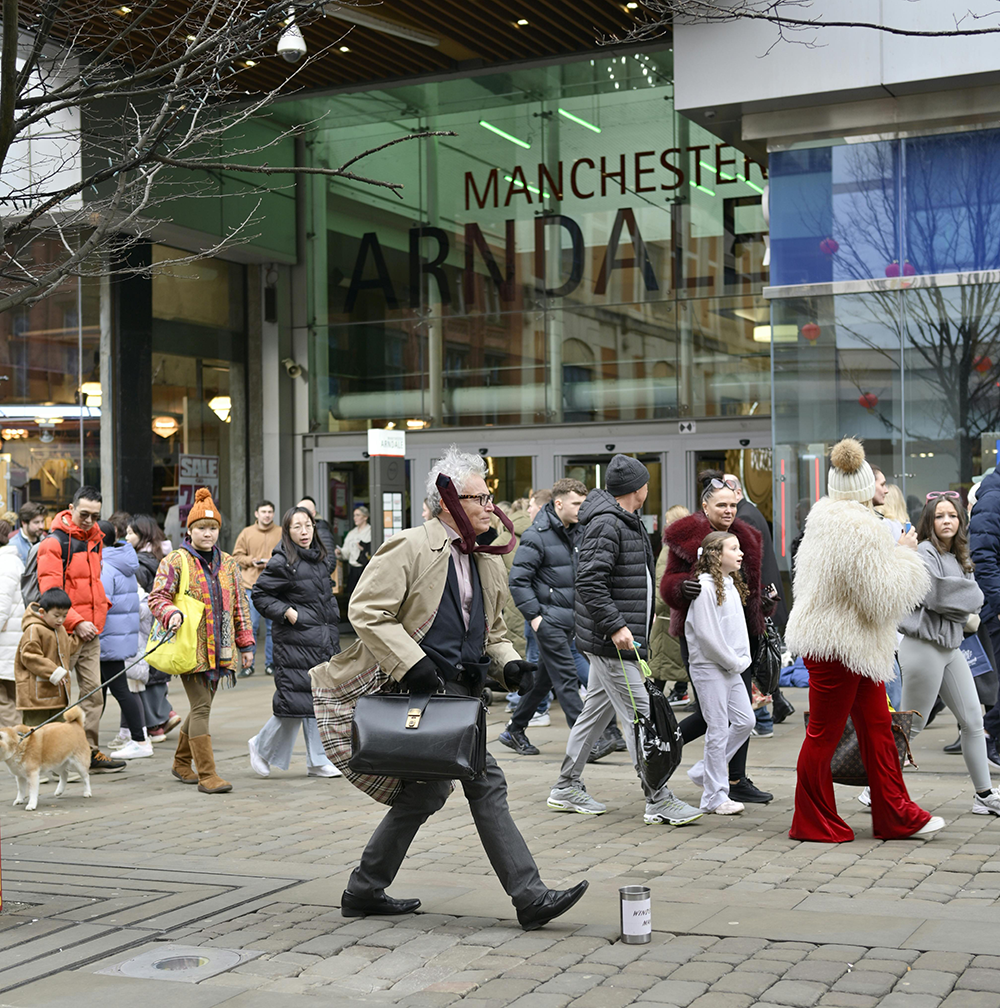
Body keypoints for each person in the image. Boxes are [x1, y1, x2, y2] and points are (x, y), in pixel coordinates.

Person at [313, 445, 588, 928]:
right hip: (423, 694)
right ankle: (529, 895)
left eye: (488, 496)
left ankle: (363, 889)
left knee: (424, 794)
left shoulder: (487, 559)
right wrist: (411, 662)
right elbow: (366, 611)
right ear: (447, 501)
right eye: (478, 497)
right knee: (487, 782)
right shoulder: (411, 546)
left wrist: (510, 666)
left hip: (461, 697)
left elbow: (493, 634)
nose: (489, 506)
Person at [786, 437, 943, 842]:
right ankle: (813, 819)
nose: (885, 487)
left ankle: (896, 814)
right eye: (877, 481)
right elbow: (883, 596)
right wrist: (906, 553)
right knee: (825, 733)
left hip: (846, 644)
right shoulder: (859, 527)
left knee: (875, 729)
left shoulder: (826, 517)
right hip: (840, 644)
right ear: (859, 487)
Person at [547, 455, 703, 825]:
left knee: (594, 715)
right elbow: (590, 581)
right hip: (613, 643)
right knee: (643, 718)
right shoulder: (608, 523)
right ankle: (658, 798)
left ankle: (565, 786)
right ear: (638, 489)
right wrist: (617, 626)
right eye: (647, 483)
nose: (649, 488)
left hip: (613, 640)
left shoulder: (619, 520)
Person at [660, 471, 775, 805]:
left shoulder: (745, 537)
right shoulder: (686, 535)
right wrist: (681, 588)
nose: (728, 511)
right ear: (705, 505)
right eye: (721, 505)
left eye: (733, 505)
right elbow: (668, 583)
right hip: (703, 638)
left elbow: (748, 588)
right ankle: (679, 755)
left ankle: (729, 776)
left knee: (740, 716)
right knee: (717, 716)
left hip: (740, 634)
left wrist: (764, 605)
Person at [898, 494, 1000, 815]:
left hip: (950, 647)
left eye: (952, 516)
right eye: (940, 516)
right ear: (930, 521)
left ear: (960, 521)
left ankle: (984, 795)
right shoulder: (924, 552)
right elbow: (939, 594)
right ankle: (879, 787)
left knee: (972, 720)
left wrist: (962, 598)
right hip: (923, 647)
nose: (946, 521)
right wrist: (966, 596)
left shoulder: (960, 557)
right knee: (911, 727)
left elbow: (971, 602)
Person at [148, 487, 255, 794]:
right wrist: (170, 614)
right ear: (190, 530)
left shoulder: (230, 564)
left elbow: (239, 607)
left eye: (212, 528)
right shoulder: (176, 561)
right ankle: (207, 774)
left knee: (200, 707)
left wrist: (246, 645)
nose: (208, 534)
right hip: (190, 648)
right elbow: (157, 597)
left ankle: (181, 763)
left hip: (220, 650)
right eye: (201, 528)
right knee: (202, 708)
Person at [248, 506, 342, 778]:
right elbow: (261, 595)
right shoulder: (283, 561)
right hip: (296, 642)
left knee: (316, 699)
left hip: (321, 640)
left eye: (308, 526)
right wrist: (288, 613)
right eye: (297, 527)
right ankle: (261, 746)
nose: (304, 532)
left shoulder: (319, 559)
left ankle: (318, 760)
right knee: (294, 702)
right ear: (287, 532)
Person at [37, 486, 124, 773]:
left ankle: (88, 753)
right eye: (84, 514)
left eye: (95, 515)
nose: (89, 520)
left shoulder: (96, 538)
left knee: (94, 695)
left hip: (91, 629)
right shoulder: (54, 543)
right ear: (71, 508)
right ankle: (52, 755)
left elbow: (94, 580)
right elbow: (50, 590)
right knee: (58, 695)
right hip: (66, 630)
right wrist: (77, 621)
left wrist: (101, 608)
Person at [500, 478, 589, 755]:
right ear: (558, 502)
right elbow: (518, 580)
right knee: (566, 678)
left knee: (544, 680)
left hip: (568, 621)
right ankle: (590, 740)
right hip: (548, 621)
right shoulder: (536, 534)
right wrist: (536, 617)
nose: (580, 509)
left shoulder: (574, 532)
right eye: (576, 503)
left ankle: (513, 730)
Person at [684, 531, 756, 815]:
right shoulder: (704, 586)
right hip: (710, 666)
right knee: (716, 728)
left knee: (745, 721)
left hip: (731, 665)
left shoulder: (728, 583)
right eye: (734, 548)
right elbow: (707, 635)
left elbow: (734, 629)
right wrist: (733, 661)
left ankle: (706, 771)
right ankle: (714, 796)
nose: (740, 553)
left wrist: (740, 660)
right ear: (716, 554)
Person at [96, 520, 150, 759]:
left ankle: (140, 740)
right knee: (98, 692)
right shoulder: (120, 560)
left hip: (107, 637)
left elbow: (101, 604)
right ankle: (87, 741)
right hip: (116, 636)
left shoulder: (105, 565)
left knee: (117, 690)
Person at [124, 514, 179, 742]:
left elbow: (139, 601)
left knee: (143, 674)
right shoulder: (165, 557)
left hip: (147, 625)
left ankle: (157, 722)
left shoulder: (140, 563)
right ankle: (166, 713)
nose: (127, 537)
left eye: (130, 533)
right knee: (156, 672)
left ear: (143, 535)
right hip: (165, 622)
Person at [232, 500, 281, 677]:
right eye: (263, 511)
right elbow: (236, 555)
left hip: (274, 586)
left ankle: (271, 664)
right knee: (249, 626)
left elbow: (289, 555)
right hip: (250, 585)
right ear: (256, 514)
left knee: (272, 628)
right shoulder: (247, 533)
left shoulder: (281, 532)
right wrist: (250, 560)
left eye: (270, 512)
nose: (267, 515)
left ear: (273, 514)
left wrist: (273, 562)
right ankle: (247, 665)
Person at [14, 587, 76, 727]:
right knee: (35, 734)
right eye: (56, 615)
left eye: (64, 615)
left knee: (57, 734)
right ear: (42, 612)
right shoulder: (33, 629)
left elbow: (66, 649)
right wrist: (54, 671)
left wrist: (80, 639)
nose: (61, 620)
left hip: (57, 695)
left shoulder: (59, 630)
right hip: (36, 698)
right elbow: (30, 656)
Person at [651, 505, 691, 707]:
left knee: (661, 663)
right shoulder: (690, 545)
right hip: (680, 612)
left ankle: (654, 704)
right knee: (681, 661)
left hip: (667, 615)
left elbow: (661, 582)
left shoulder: (669, 549)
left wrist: (656, 610)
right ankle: (681, 692)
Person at [0, 519, 24, 726]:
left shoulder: (4, 563)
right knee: (12, 698)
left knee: (4, 700)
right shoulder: (12, 560)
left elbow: (1, 604)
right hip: (11, 640)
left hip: (5, 643)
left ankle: (14, 744)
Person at [335, 505, 372, 596]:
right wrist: (340, 552)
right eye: (354, 515)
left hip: (366, 569)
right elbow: (346, 552)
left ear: (365, 517)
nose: (355, 518)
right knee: (351, 595)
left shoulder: (371, 531)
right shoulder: (351, 533)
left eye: (358, 515)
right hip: (353, 569)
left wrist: (364, 548)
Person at [297, 496, 336, 565]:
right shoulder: (298, 529)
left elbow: (330, 562)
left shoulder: (322, 532)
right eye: (297, 510)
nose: (297, 514)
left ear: (313, 513)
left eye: (302, 511)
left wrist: (312, 573)